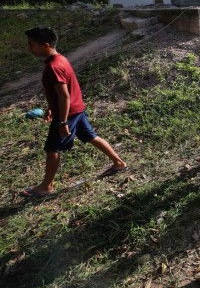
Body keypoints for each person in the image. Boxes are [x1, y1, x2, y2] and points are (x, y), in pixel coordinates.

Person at [21, 26, 127, 197]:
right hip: (77, 109)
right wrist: (50, 107)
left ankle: (46, 186)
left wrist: (62, 122)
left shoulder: (53, 67)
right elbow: (61, 93)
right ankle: (119, 162)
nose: (29, 48)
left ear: (45, 45)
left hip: (68, 113)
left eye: (31, 44)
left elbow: (64, 96)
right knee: (91, 136)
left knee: (52, 148)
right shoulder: (60, 59)